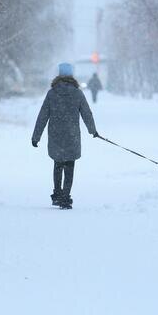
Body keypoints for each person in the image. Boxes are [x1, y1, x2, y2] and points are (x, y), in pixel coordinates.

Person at [32, 62, 98, 209]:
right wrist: (93, 130)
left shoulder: (52, 93)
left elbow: (42, 115)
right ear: (71, 75)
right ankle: (65, 197)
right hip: (71, 135)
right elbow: (86, 113)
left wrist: (36, 136)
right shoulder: (77, 93)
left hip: (55, 135)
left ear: (59, 75)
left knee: (57, 164)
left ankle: (57, 194)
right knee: (69, 166)